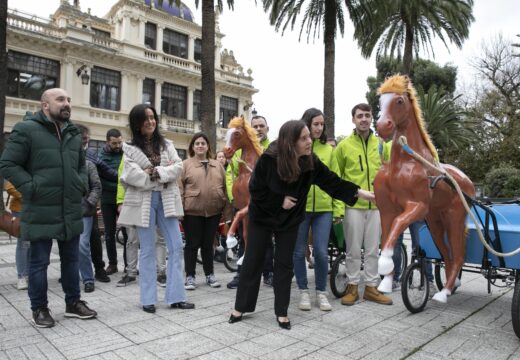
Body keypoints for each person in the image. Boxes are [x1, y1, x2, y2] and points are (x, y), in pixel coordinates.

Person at [229, 120, 374, 330]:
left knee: (284, 264)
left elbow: (332, 181)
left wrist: (359, 193)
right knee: (253, 260)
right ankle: (240, 307)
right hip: (263, 215)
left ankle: (281, 311)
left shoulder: (310, 162)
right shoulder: (270, 159)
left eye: (309, 137)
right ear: (291, 142)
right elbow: (256, 190)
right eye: (304, 138)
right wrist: (280, 200)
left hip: (290, 219)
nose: (310, 141)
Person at [0, 88, 97, 328]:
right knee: (39, 262)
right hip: (40, 207)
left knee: (71, 259)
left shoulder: (74, 132)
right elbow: (8, 163)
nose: (67, 104)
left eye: (69, 99)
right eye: (60, 99)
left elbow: (81, 165)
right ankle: (39, 308)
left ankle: (73, 303)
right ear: (45, 105)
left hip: (69, 206)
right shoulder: (27, 129)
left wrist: (80, 184)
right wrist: (30, 187)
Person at [117, 104, 194, 313]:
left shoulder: (167, 144)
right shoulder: (129, 148)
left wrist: (155, 172)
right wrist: (160, 175)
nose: (151, 121)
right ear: (137, 123)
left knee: (177, 246)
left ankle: (176, 297)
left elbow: (178, 167)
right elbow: (130, 176)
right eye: (145, 119)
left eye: (152, 117)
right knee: (147, 249)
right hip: (144, 202)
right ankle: (148, 299)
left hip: (167, 200)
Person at [335, 103, 392, 306]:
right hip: (353, 206)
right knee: (352, 249)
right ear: (353, 119)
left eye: (367, 115)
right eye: (360, 116)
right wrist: (339, 208)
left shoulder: (381, 145)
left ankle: (370, 288)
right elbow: (337, 179)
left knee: (372, 250)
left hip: (376, 207)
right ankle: (352, 287)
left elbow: (388, 172)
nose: (364, 119)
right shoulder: (344, 146)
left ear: (371, 118)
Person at [293, 108, 344, 312]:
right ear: (306, 124)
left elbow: (336, 180)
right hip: (301, 208)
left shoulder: (328, 150)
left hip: (324, 209)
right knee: (298, 252)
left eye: (322, 124)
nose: (319, 127)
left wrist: (338, 209)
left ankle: (321, 292)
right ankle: (303, 291)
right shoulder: (297, 148)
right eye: (315, 124)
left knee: (322, 253)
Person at [226, 115, 273, 289]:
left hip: (263, 203)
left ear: (267, 128)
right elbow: (230, 175)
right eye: (255, 126)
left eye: (262, 126)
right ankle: (241, 273)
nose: (259, 129)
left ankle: (268, 272)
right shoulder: (238, 149)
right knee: (243, 237)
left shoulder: (271, 148)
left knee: (266, 239)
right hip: (243, 200)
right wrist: (234, 197)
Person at [180, 132, 230, 290]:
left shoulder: (218, 165)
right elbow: (179, 188)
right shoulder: (185, 164)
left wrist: (227, 214)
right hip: (192, 211)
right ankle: (190, 276)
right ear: (192, 147)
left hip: (213, 212)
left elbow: (225, 189)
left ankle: (210, 275)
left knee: (208, 245)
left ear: (208, 146)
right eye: (197, 143)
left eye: (203, 143)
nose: (200, 146)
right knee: (192, 245)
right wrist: (179, 211)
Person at [116, 157, 167, 287]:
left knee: (159, 239)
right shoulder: (130, 153)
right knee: (132, 239)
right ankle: (131, 273)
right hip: (135, 200)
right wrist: (121, 201)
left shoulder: (161, 150)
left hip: (157, 201)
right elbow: (123, 177)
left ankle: (161, 273)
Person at [77, 124, 102, 293]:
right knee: (68, 246)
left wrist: (88, 203)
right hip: (64, 211)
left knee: (82, 245)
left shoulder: (88, 165)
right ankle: (70, 274)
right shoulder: (62, 163)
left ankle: (87, 278)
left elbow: (97, 187)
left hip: (84, 212)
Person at [98, 128, 123, 275]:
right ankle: (112, 264)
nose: (118, 146)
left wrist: (116, 179)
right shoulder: (101, 156)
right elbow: (101, 181)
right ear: (108, 141)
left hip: (123, 200)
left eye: (120, 142)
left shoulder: (126, 153)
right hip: (107, 199)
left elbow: (128, 175)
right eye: (114, 143)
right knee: (109, 233)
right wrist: (120, 181)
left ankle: (128, 265)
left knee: (127, 233)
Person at [5, 181, 29, 290]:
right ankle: (22, 276)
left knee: (33, 243)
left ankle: (29, 274)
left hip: (36, 210)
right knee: (24, 243)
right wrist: (27, 196)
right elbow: (9, 187)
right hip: (20, 210)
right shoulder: (18, 165)